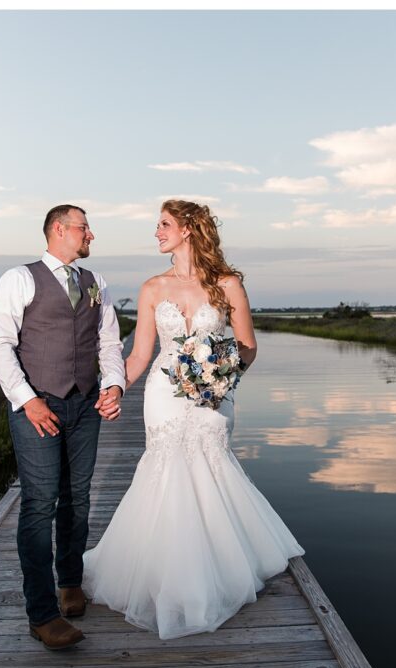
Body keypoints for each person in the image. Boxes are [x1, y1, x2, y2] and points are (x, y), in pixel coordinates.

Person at [84, 199, 304, 639]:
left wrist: (220, 376)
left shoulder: (228, 284)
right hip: (164, 395)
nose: (156, 232)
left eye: (163, 224)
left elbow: (247, 346)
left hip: (213, 398)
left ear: (187, 229)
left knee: (210, 465)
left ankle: (220, 565)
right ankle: (169, 573)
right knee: (165, 469)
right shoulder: (152, 288)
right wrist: (113, 389)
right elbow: (141, 355)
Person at [0, 204, 125, 650]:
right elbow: (0, 346)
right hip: (37, 408)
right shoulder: (19, 279)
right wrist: (27, 400)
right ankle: (42, 614)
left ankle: (70, 582)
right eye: (85, 228)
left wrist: (115, 386)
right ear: (60, 230)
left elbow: (107, 343)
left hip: (85, 406)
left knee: (78, 499)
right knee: (40, 504)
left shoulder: (95, 283)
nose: (92, 235)